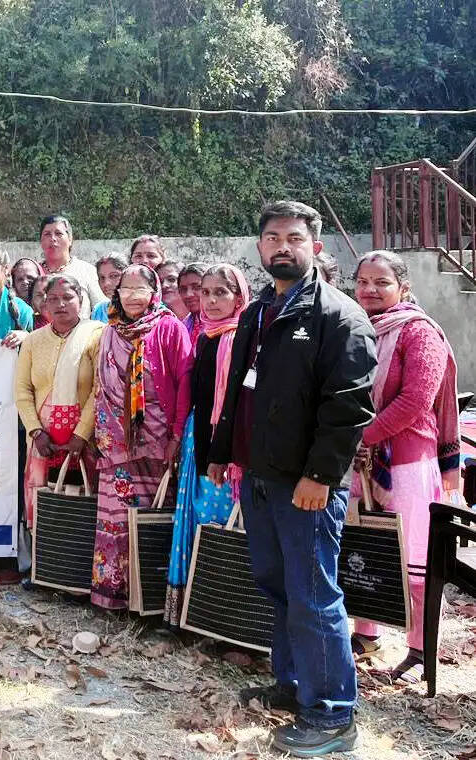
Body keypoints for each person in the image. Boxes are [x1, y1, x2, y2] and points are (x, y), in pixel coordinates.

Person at [207, 201, 376, 757]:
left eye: (295, 238)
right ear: (259, 247)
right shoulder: (258, 312)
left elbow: (348, 409)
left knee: (313, 596)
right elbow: (239, 388)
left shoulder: (339, 317)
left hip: (307, 486)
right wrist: (222, 452)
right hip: (259, 476)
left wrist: (320, 476)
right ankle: (293, 685)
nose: (283, 247)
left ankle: (332, 715)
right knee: (277, 586)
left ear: (315, 247)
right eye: (273, 237)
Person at [349, 250, 461, 684]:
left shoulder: (418, 331)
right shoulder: (355, 327)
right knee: (365, 545)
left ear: (404, 287)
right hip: (359, 457)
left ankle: (419, 648)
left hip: (407, 460)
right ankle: (367, 635)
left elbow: (416, 399)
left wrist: (365, 436)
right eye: (363, 282)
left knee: (414, 558)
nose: (370, 290)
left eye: (382, 282)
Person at [91, 264, 192, 611]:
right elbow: (101, 387)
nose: (132, 296)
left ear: (154, 292)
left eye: (140, 289)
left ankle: (148, 599)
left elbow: (184, 385)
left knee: (153, 518)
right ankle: (114, 596)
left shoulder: (169, 328)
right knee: (116, 518)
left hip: (158, 444)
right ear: (116, 293)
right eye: (126, 289)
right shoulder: (109, 331)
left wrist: (175, 436)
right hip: (115, 445)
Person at [163, 263, 250, 626]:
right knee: (197, 521)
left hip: (226, 450)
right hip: (197, 442)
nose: (211, 301)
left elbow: (241, 402)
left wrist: (225, 453)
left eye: (221, 293)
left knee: (222, 526)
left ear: (239, 297)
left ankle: (224, 622)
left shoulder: (246, 339)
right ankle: (191, 615)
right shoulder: (204, 336)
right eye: (206, 293)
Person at [14, 274, 104, 562]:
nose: (60, 304)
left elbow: (100, 389)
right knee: (43, 497)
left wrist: (81, 434)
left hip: (85, 440)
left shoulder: (97, 335)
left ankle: (79, 569)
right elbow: (22, 390)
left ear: (81, 299)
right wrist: (36, 432)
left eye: (67, 298)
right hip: (43, 441)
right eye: (53, 298)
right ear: (44, 303)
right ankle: (44, 567)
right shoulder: (33, 341)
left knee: (83, 499)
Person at [38, 215, 105, 308]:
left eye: (58, 233)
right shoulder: (34, 272)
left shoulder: (87, 271)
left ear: (70, 239)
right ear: (41, 241)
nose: (53, 238)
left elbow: (102, 308)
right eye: (47, 234)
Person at [91, 252, 128, 321]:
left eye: (114, 276)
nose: (106, 283)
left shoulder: (136, 308)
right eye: (102, 278)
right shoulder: (99, 310)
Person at [177, 262, 207, 342]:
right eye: (183, 289)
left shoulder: (226, 328)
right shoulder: (182, 328)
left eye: (197, 287)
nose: (188, 295)